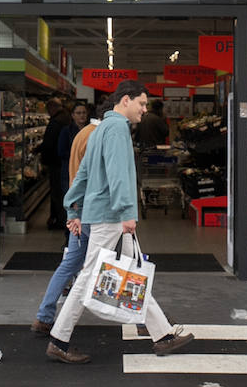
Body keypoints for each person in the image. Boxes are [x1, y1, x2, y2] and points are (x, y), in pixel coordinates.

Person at [45, 80, 194, 365]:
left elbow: (85, 172)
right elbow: (118, 175)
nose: (145, 109)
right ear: (125, 100)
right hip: (110, 216)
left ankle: (162, 335)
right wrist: (127, 212)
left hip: (103, 214)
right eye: (141, 103)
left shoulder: (101, 128)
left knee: (133, 271)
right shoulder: (117, 129)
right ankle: (58, 339)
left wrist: (71, 206)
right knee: (89, 277)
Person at [30, 108, 99, 336]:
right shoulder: (96, 137)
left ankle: (44, 316)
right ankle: (142, 318)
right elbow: (89, 176)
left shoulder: (81, 134)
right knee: (119, 263)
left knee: (70, 264)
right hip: (92, 211)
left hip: (80, 208)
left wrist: (72, 209)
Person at [39, 97, 71, 230]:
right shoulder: (66, 120)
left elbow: (49, 144)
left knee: (57, 193)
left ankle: (60, 220)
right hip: (64, 162)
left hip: (56, 162)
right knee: (62, 192)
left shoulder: (55, 122)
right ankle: (61, 218)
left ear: (52, 108)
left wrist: (43, 160)